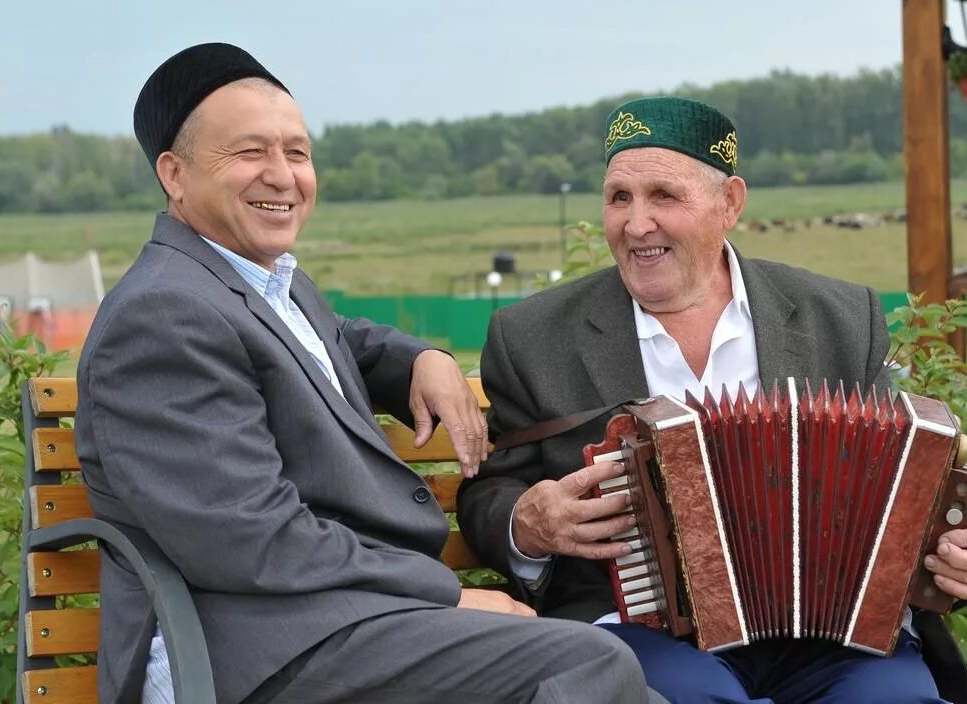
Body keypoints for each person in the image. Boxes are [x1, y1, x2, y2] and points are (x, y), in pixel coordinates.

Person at [76, 43, 661, 704]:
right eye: (248, 153)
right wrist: (448, 594)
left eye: (296, 153)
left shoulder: (256, 286)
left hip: (336, 626)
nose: (282, 175)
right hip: (252, 656)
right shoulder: (160, 315)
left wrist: (421, 359)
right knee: (584, 665)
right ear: (175, 175)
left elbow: (335, 342)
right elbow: (252, 542)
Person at [457, 96, 967, 704]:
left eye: (663, 197)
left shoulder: (839, 316)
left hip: (835, 632)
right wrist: (527, 523)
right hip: (636, 631)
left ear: (730, 204)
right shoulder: (532, 336)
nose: (635, 223)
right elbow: (491, 491)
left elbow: (914, 471)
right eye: (619, 197)